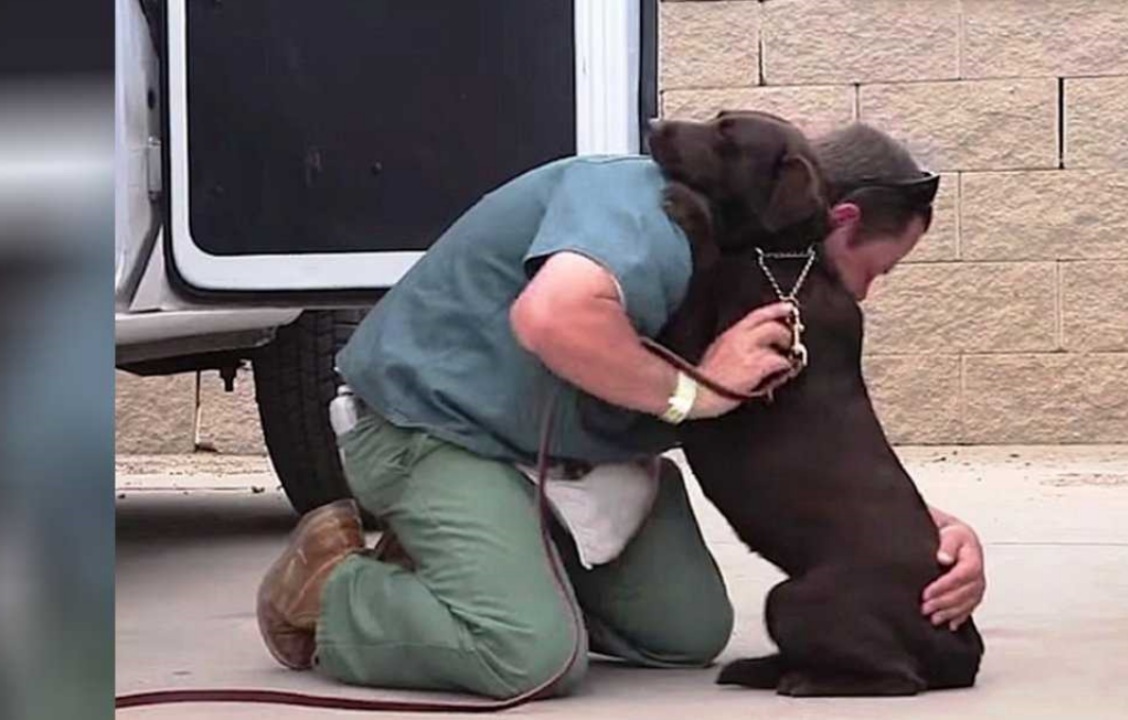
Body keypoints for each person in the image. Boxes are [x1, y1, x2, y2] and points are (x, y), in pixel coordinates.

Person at [255, 120, 988, 699]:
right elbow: (552, 314)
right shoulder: (640, 207)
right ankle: (334, 592)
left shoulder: (755, 265)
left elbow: (826, 452)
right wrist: (694, 392)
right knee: (529, 658)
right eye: (877, 269)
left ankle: (490, 567)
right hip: (437, 431)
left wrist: (927, 540)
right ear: (841, 220)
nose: (866, 293)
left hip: (574, 457)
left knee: (687, 634)